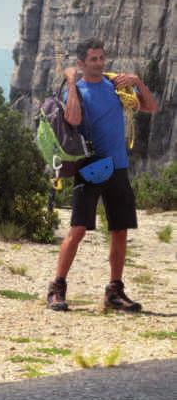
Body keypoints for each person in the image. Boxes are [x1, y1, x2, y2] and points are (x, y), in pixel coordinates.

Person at [47, 40, 158, 313]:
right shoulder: (77, 91)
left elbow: (150, 107)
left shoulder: (115, 86)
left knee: (120, 229)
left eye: (101, 58)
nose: (99, 63)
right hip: (90, 167)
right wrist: (71, 82)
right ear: (81, 63)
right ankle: (57, 288)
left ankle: (115, 291)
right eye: (93, 59)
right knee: (78, 230)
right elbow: (72, 119)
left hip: (118, 167)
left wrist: (137, 82)